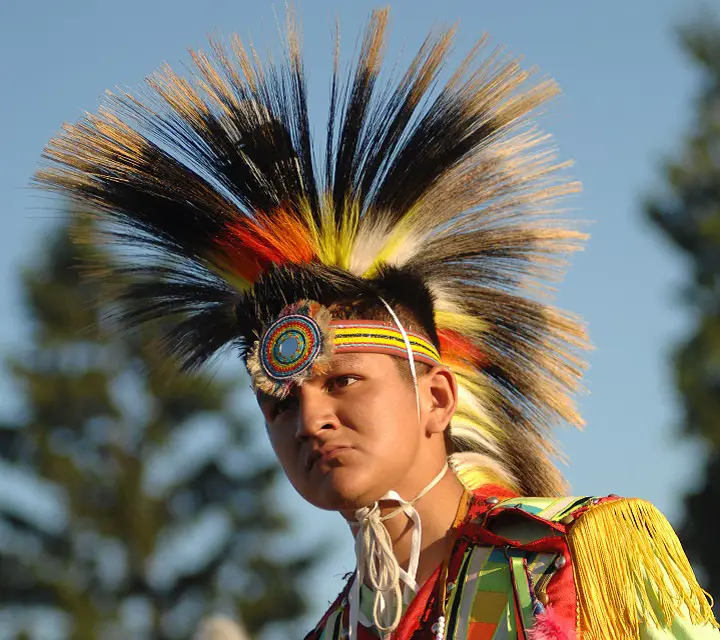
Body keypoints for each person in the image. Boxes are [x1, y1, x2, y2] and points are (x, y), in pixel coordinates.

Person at [35, 8, 719, 639]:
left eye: (343, 381)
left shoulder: (576, 560)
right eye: (278, 404)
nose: (310, 420)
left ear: (436, 397)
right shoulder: (335, 632)